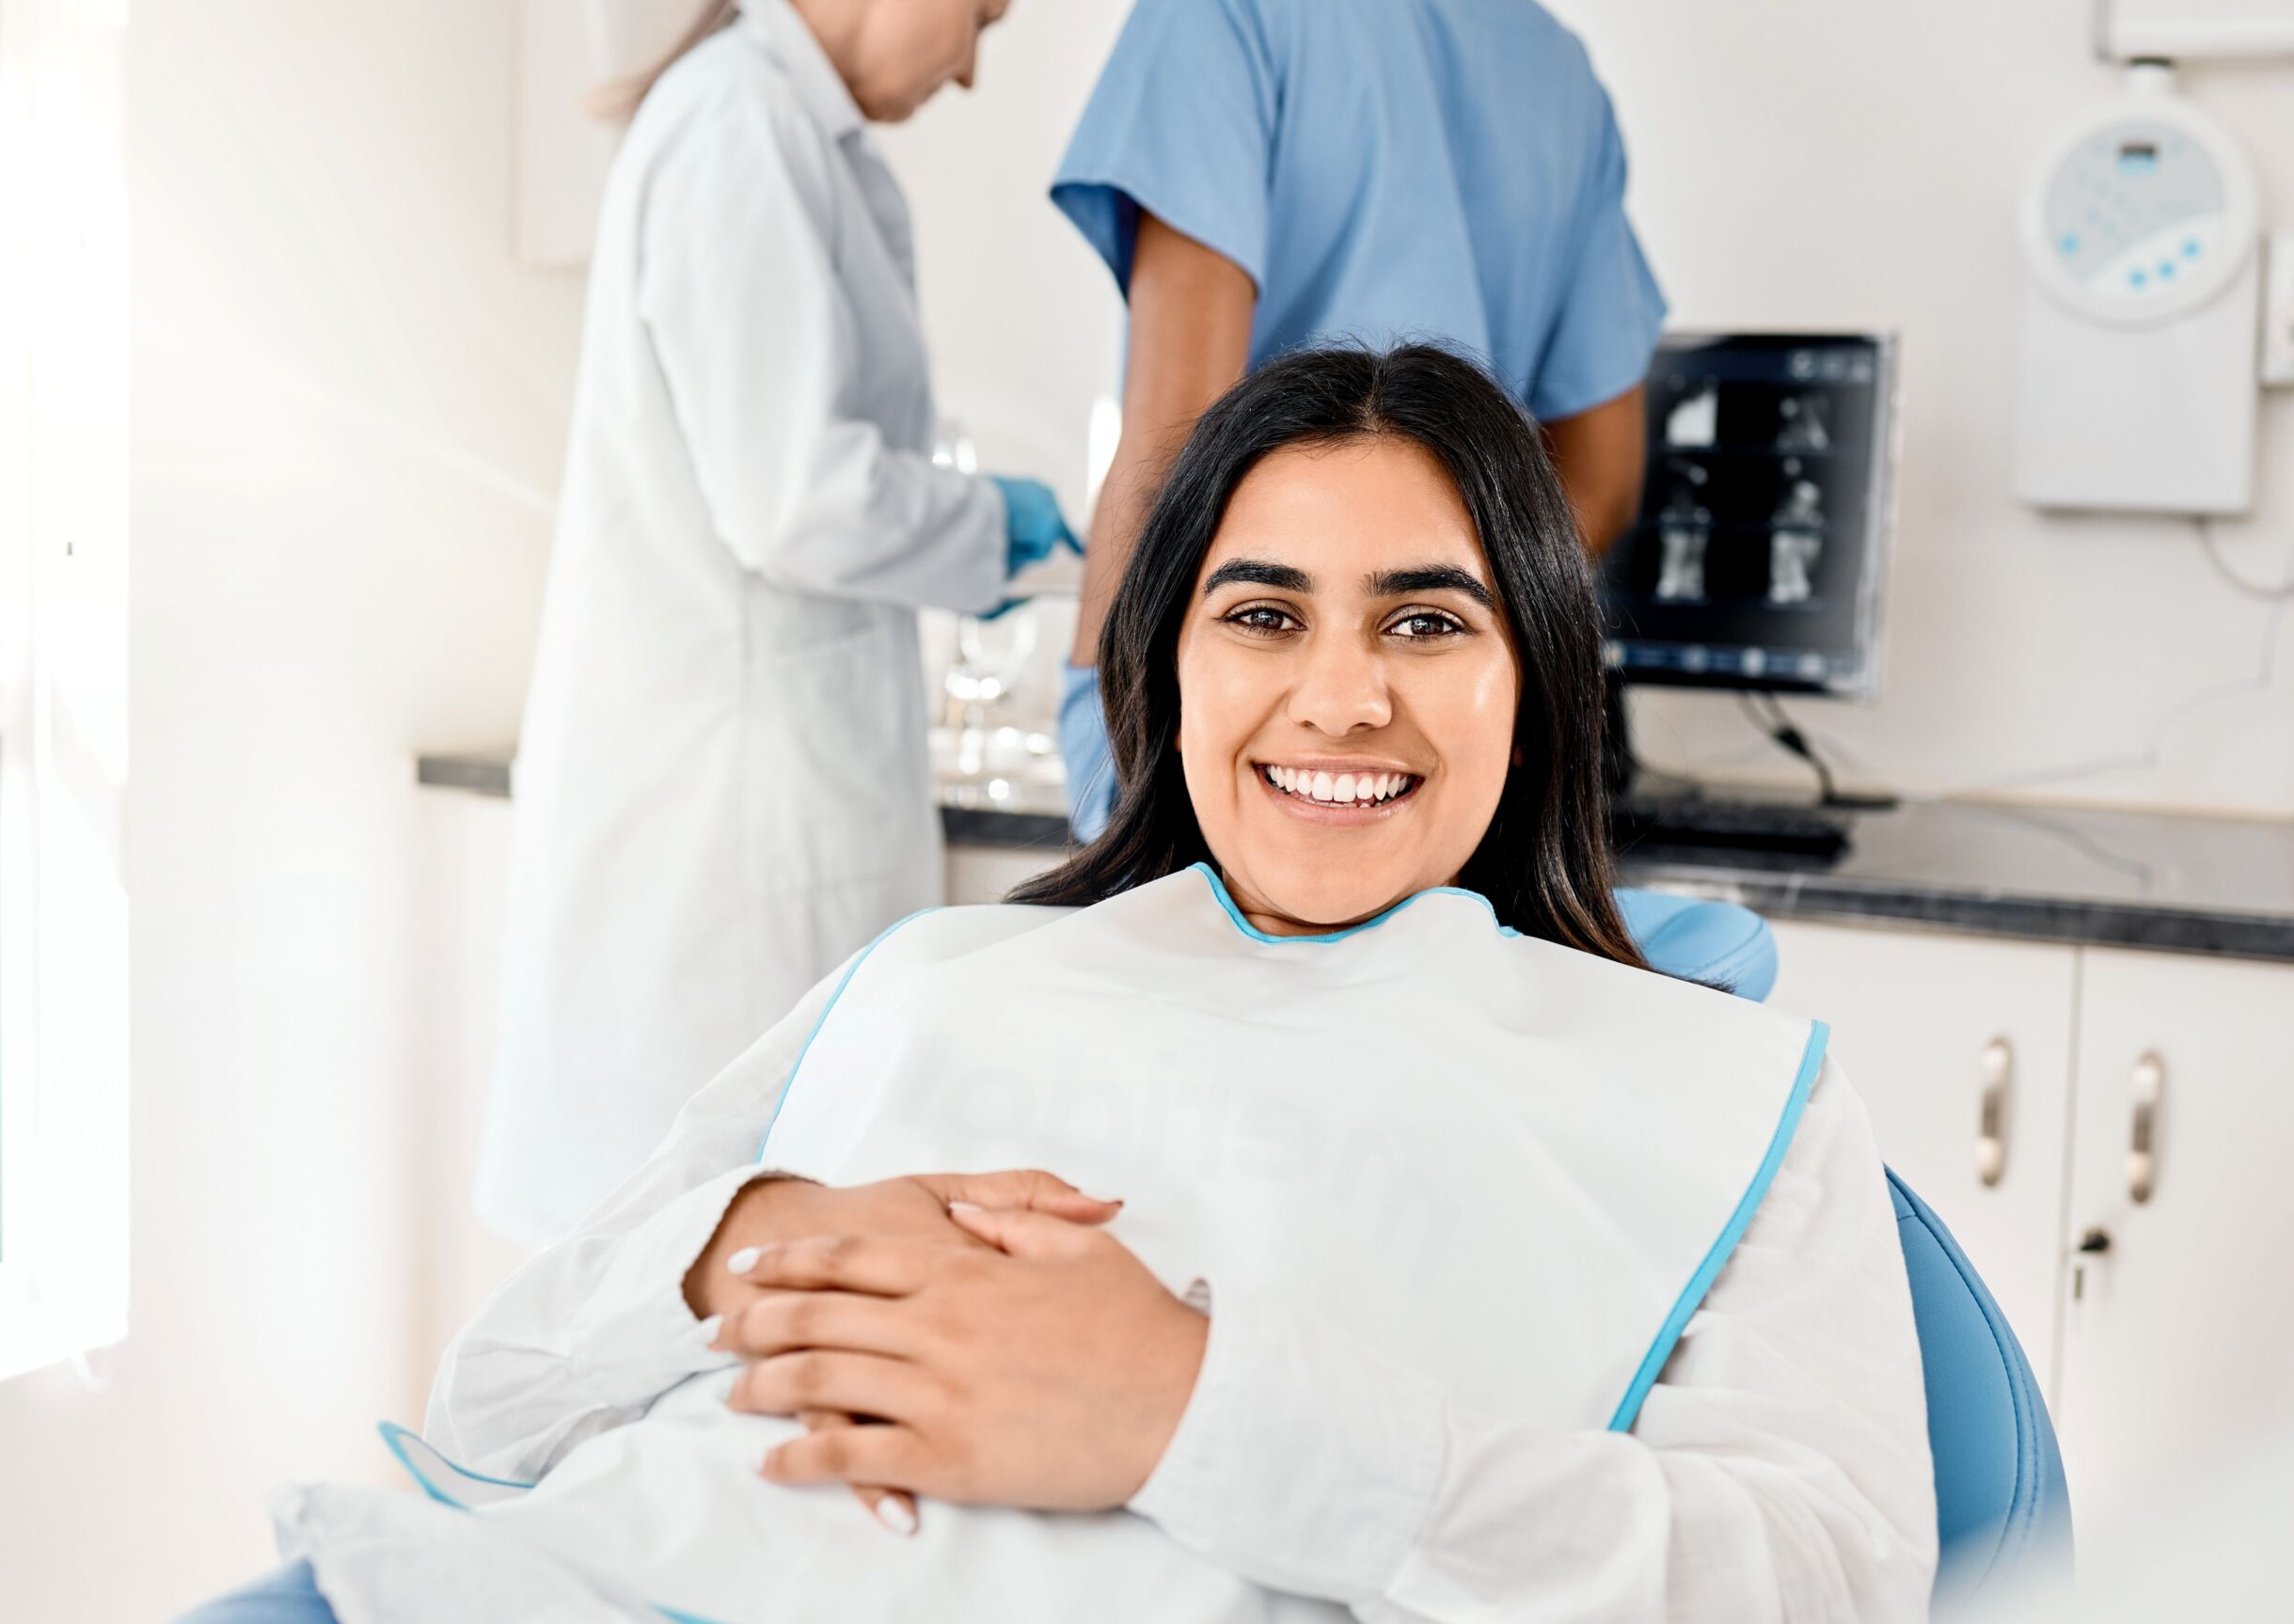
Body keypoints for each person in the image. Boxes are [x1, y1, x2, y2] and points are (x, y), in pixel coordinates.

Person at [193, 346, 1936, 1623]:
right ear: (1167, 665)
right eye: (1262, 616)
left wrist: (1193, 1410)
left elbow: (1835, 1577)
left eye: (1424, 622)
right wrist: (751, 1242)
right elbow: (494, 1401)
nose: (1337, 699)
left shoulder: (1728, 1099)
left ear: (1535, 681)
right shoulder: (948, 973)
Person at [481, 0, 1075, 1244]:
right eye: (979, 18)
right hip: (718, 846)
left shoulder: (782, 132)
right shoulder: (735, 124)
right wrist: (991, 527)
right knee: (704, 1276)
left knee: (738, 1277)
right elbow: (796, 498)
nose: (969, 68)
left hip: (747, 810)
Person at [1048, 0, 1664, 839]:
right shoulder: (1556, 72)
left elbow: (1174, 440)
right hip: (1430, 776)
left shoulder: (1225, 15)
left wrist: (1115, 747)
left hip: (1237, 742)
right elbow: (1602, 476)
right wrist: (1438, 639)